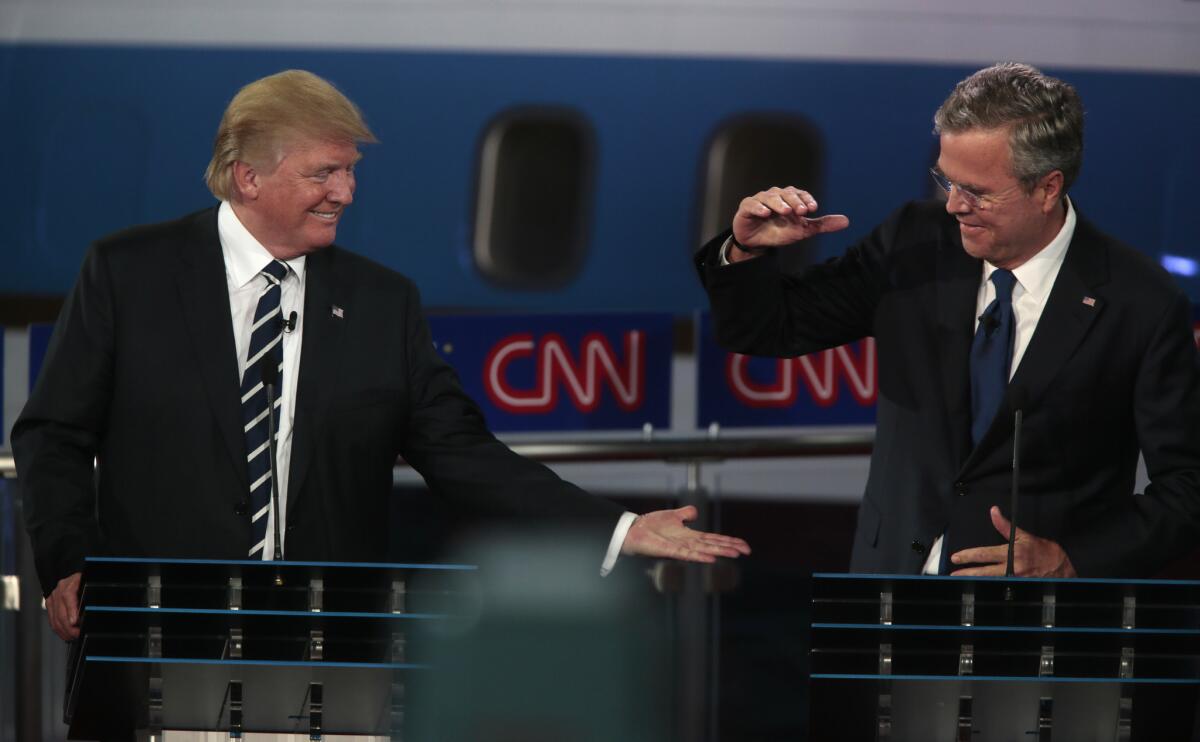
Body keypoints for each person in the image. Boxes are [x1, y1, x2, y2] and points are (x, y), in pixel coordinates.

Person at [15, 69, 750, 642]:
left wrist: (618, 529)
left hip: (323, 644)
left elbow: (466, 456)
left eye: (349, 171)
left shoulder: (380, 303)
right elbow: (55, 434)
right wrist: (70, 561)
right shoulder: (128, 274)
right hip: (156, 631)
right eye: (323, 173)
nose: (346, 192)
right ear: (249, 176)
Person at [696, 62, 1200, 578]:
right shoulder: (913, 243)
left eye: (977, 191)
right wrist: (745, 252)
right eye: (947, 180)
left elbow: (1187, 487)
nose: (955, 206)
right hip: (890, 590)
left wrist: (1072, 560)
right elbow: (767, 328)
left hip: (1038, 621)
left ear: (1048, 188)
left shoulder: (1140, 302)